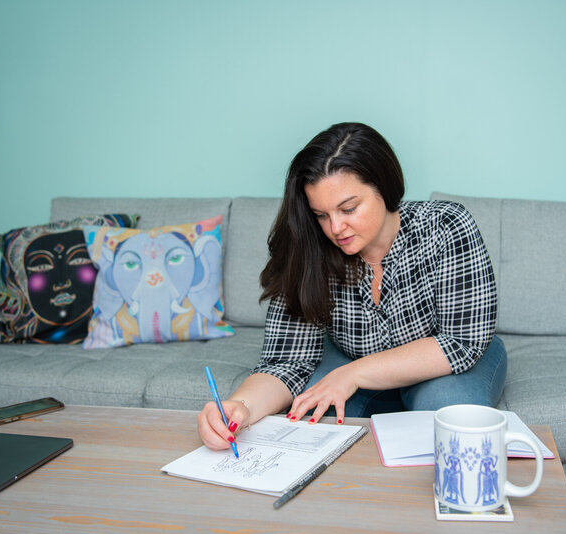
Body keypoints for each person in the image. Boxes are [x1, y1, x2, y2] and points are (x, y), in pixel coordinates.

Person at [198, 122, 506, 452]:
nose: (335, 228)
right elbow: (286, 361)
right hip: (351, 357)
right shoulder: (311, 247)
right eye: (321, 214)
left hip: (446, 362)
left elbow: (461, 342)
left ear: (384, 188)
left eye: (348, 209)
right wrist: (240, 406)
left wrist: (353, 374)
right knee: (311, 423)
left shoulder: (445, 225)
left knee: (452, 420)